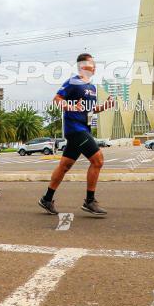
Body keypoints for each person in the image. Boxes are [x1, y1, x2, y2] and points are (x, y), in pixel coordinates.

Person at [38, 53, 115, 216]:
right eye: (91, 64)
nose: (94, 67)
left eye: (95, 64)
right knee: (98, 160)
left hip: (84, 128)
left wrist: (106, 106)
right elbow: (57, 99)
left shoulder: (92, 88)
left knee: (64, 166)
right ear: (82, 66)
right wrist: (71, 107)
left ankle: (46, 198)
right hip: (75, 129)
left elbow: (91, 110)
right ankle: (89, 201)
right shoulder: (73, 82)